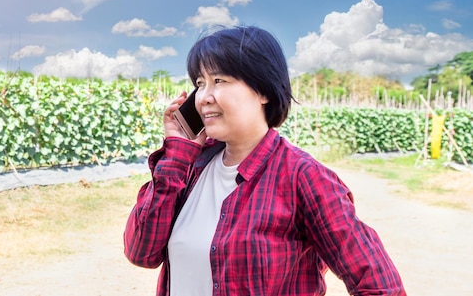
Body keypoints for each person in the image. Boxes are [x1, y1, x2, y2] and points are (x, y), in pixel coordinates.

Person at [123, 25, 406, 296]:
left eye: (219, 80)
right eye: (200, 83)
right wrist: (176, 157)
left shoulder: (304, 177)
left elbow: (380, 285)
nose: (204, 97)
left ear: (263, 91)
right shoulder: (191, 169)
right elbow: (141, 252)